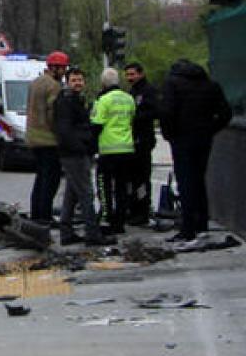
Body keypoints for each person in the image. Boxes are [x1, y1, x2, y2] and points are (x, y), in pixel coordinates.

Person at [160, 59, 233, 243]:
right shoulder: (211, 85)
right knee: (199, 181)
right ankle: (202, 224)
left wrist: (170, 135)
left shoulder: (172, 84)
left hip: (182, 139)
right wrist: (210, 129)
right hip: (203, 139)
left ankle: (188, 228)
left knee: (185, 183)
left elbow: (167, 112)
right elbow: (225, 113)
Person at [54, 67, 114, 246]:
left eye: (80, 80)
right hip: (74, 154)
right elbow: (65, 130)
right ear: (67, 82)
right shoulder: (66, 101)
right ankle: (92, 234)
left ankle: (66, 232)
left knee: (72, 194)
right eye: (74, 80)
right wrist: (81, 147)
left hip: (74, 152)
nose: (78, 83)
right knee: (86, 193)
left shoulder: (76, 100)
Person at [90, 68, 136, 234]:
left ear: (103, 83)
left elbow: (96, 124)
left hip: (108, 150)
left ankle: (106, 218)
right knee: (122, 187)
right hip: (126, 149)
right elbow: (132, 119)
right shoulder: (129, 99)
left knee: (104, 186)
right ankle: (120, 221)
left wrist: (91, 146)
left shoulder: (103, 100)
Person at [27, 51, 69, 223]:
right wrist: (62, 134)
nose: (64, 72)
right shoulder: (54, 86)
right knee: (50, 180)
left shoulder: (35, 83)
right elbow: (53, 114)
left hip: (33, 138)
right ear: (56, 68)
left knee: (40, 178)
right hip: (49, 140)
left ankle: (36, 214)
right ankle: (45, 216)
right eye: (63, 68)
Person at [124, 62, 161, 224]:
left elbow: (155, 111)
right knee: (132, 177)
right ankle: (133, 208)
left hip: (144, 140)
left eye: (132, 74)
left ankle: (143, 210)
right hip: (132, 140)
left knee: (142, 178)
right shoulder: (132, 91)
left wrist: (137, 117)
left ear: (141, 74)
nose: (130, 78)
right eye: (127, 75)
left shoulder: (148, 91)